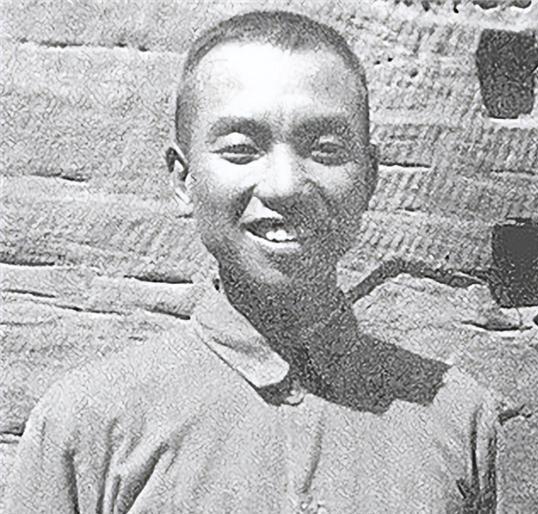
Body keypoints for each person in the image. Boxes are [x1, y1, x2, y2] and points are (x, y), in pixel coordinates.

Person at [4, 10, 503, 513]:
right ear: (183, 179)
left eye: (325, 149)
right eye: (242, 149)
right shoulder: (91, 426)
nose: (284, 186)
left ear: (370, 178)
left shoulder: (456, 420)